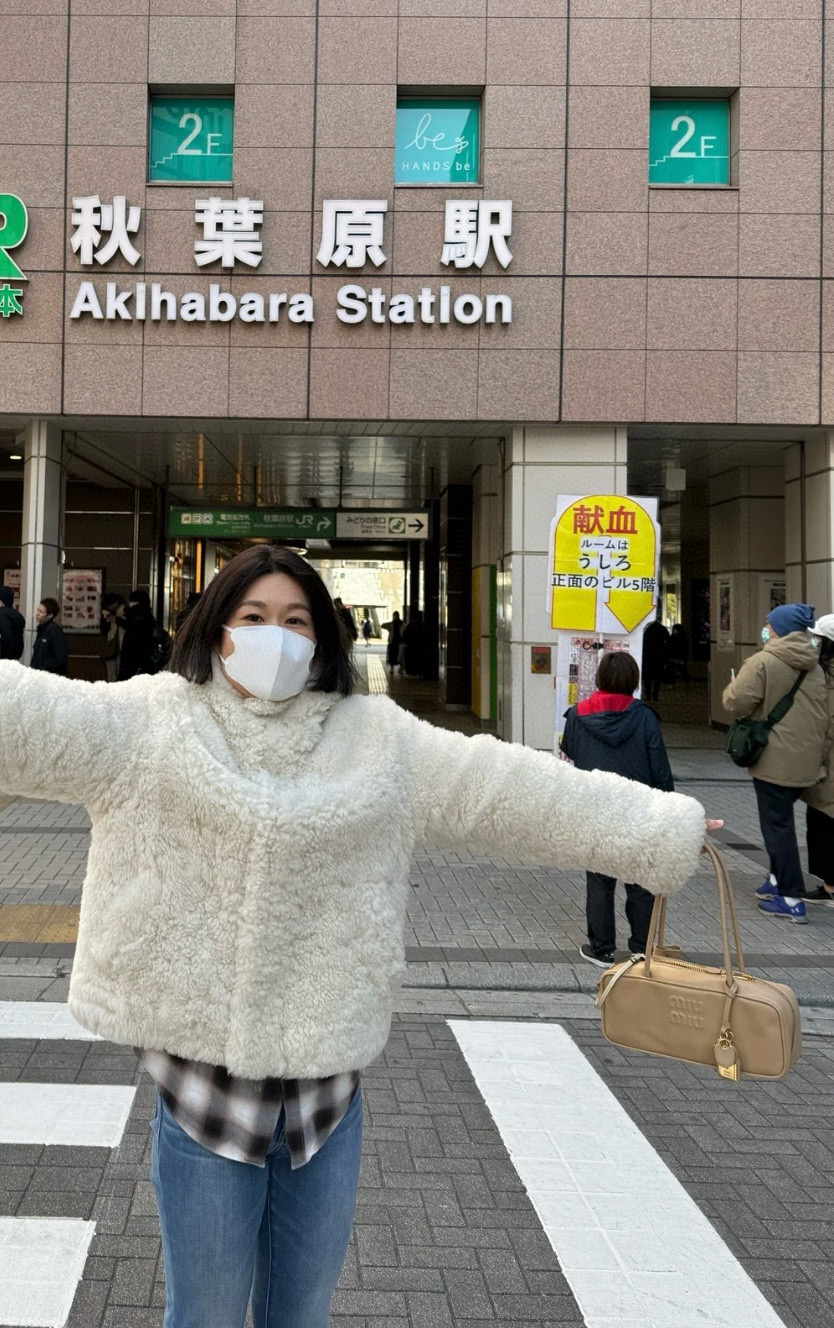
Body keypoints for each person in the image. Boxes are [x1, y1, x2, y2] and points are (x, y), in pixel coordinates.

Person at [0, 545, 718, 1328]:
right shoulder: (149, 721)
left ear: (322, 637)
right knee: (203, 1315)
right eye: (254, 616)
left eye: (296, 620)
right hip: (203, 1100)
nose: (276, 636)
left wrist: (656, 830)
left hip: (325, 1108)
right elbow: (25, 717)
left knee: (302, 1315)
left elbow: (505, 791)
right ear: (216, 628)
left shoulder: (376, 740)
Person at [560, 651, 675, 966]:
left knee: (599, 881)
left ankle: (602, 948)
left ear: (599, 678)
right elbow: (660, 769)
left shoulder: (577, 715)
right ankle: (641, 948)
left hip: (596, 811)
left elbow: (570, 749)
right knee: (640, 884)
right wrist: (669, 809)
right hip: (638, 811)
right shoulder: (645, 717)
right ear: (634, 681)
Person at [723, 602, 827, 923]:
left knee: (777, 827)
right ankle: (774, 879)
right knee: (781, 821)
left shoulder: (763, 661)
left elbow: (735, 702)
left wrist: (732, 685)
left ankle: (791, 898)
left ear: (780, 628)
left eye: (769, 624)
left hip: (774, 759)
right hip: (807, 760)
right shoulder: (814, 664)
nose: (766, 628)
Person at [803, 614, 834, 907]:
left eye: (818, 639)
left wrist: (815, 759)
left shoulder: (827, 675)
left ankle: (830, 886)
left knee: (824, 822)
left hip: (829, 766)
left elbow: (827, 725)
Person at [118, 589, 169, 680]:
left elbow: (132, 639)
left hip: (133, 664)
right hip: (146, 664)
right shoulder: (148, 618)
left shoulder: (133, 618)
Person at [30, 598, 68, 675]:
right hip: (39, 674)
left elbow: (60, 657)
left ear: (50, 615)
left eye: (41, 612)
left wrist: (44, 668)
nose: (37, 613)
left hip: (50, 676)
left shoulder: (54, 630)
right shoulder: (41, 629)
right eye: (38, 610)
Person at [641, 618, 671, 703]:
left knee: (648, 678)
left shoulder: (648, 630)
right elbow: (668, 643)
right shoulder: (662, 629)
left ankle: (648, 695)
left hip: (648, 657)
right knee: (657, 678)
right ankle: (655, 695)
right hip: (659, 657)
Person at [100, 593, 126, 682]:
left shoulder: (125, 612)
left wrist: (115, 619)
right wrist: (105, 618)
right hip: (111, 645)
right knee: (111, 672)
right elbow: (103, 630)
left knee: (121, 672)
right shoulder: (106, 612)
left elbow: (128, 625)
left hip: (123, 646)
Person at [0, 585, 25, 661]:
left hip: (3, 658)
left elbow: (5, 636)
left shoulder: (1, 615)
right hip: (15, 657)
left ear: (1, 602)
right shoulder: (17, 615)